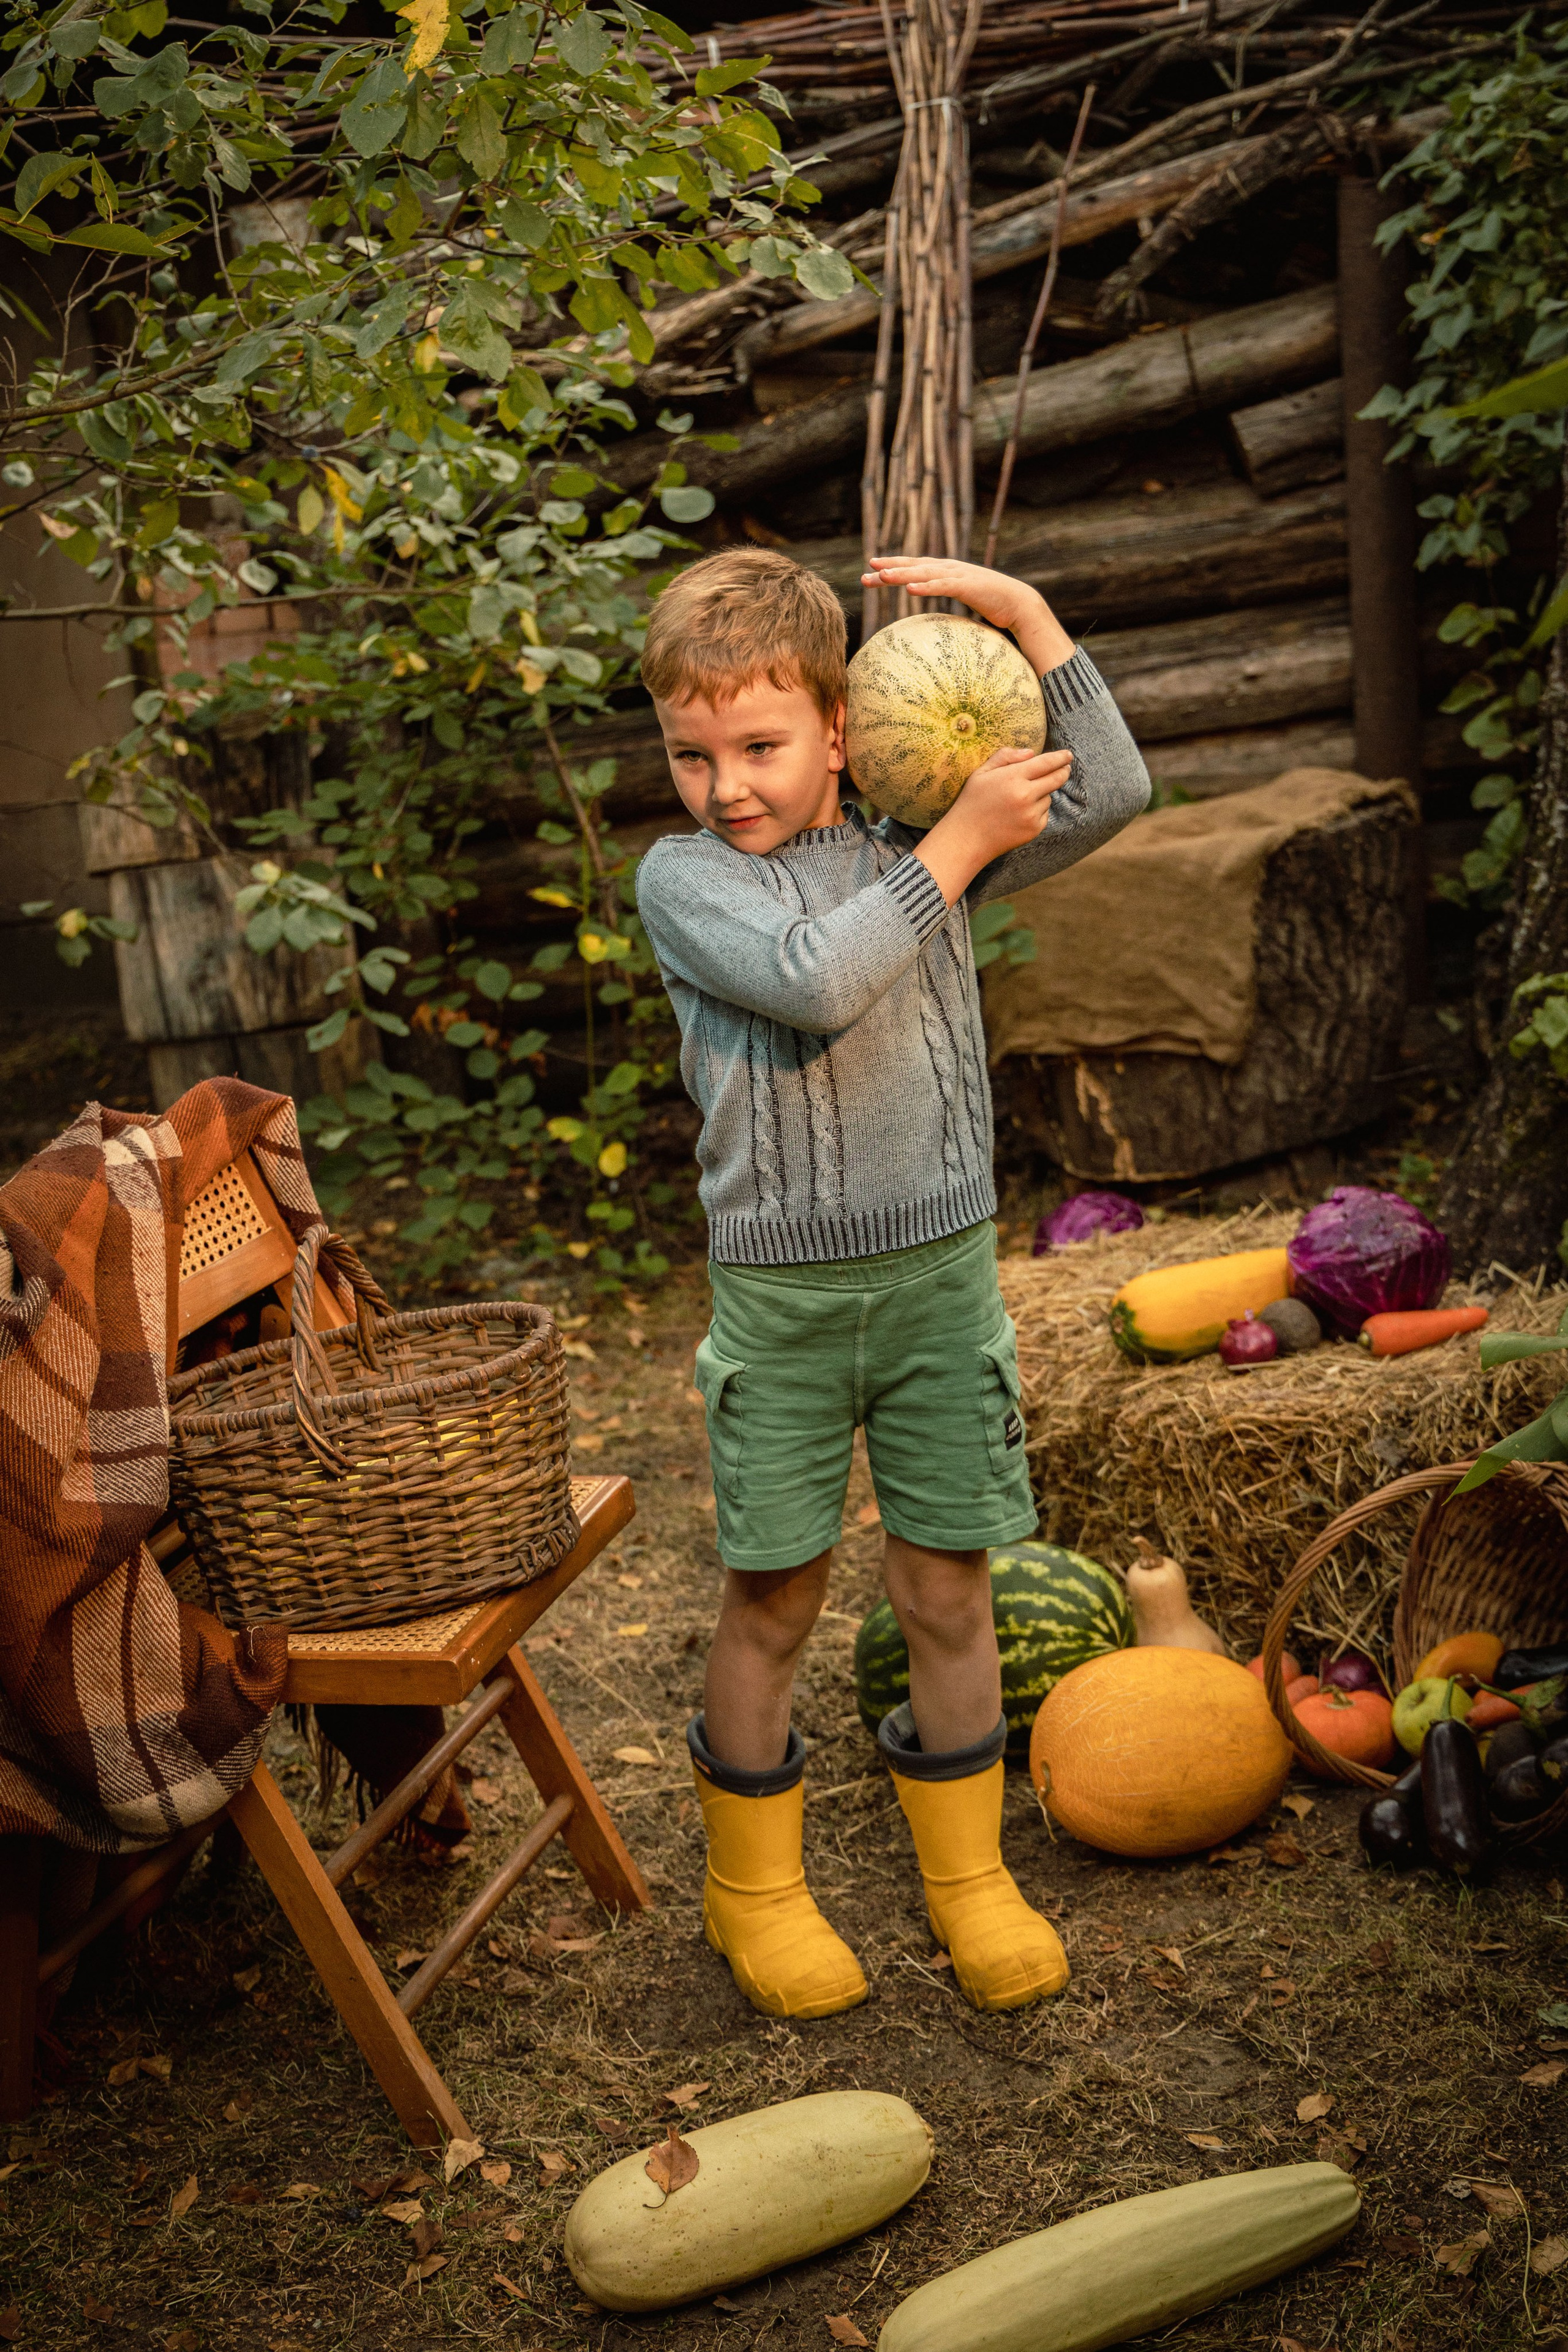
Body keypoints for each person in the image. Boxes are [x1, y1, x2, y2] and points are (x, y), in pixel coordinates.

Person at [635, 545, 1150, 2019]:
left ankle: (967, 1878)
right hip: (783, 1310)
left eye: (759, 746)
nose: (724, 786)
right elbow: (814, 977)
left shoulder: (911, 841)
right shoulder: (687, 881)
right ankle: (753, 1896)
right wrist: (956, 848)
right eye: (690, 754)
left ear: (838, 729)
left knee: (945, 1587)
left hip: (939, 1288)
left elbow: (1111, 793)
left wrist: (1028, 617)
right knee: (774, 1599)